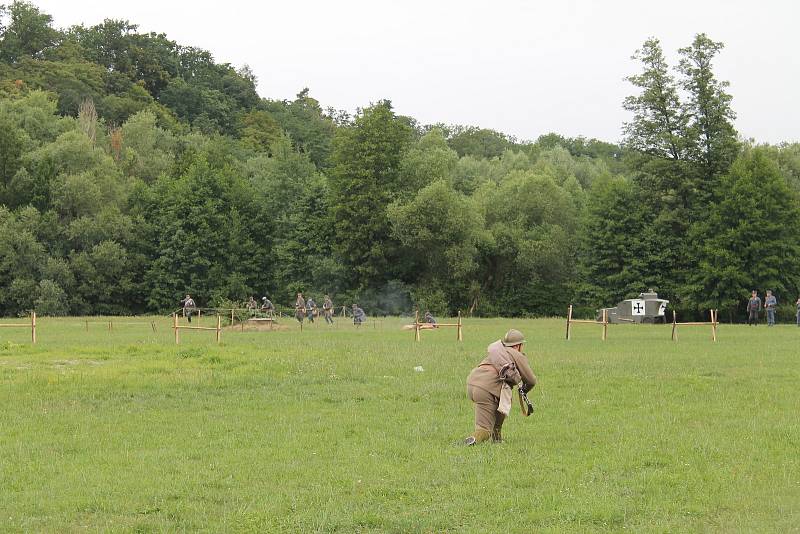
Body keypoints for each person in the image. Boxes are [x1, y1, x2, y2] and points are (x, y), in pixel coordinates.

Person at [464, 329, 537, 445]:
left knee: (499, 408)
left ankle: (497, 440)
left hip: (473, 383)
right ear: (518, 345)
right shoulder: (517, 355)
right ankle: (469, 442)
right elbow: (531, 380)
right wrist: (525, 389)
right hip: (486, 388)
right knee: (484, 430)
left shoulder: (498, 351)